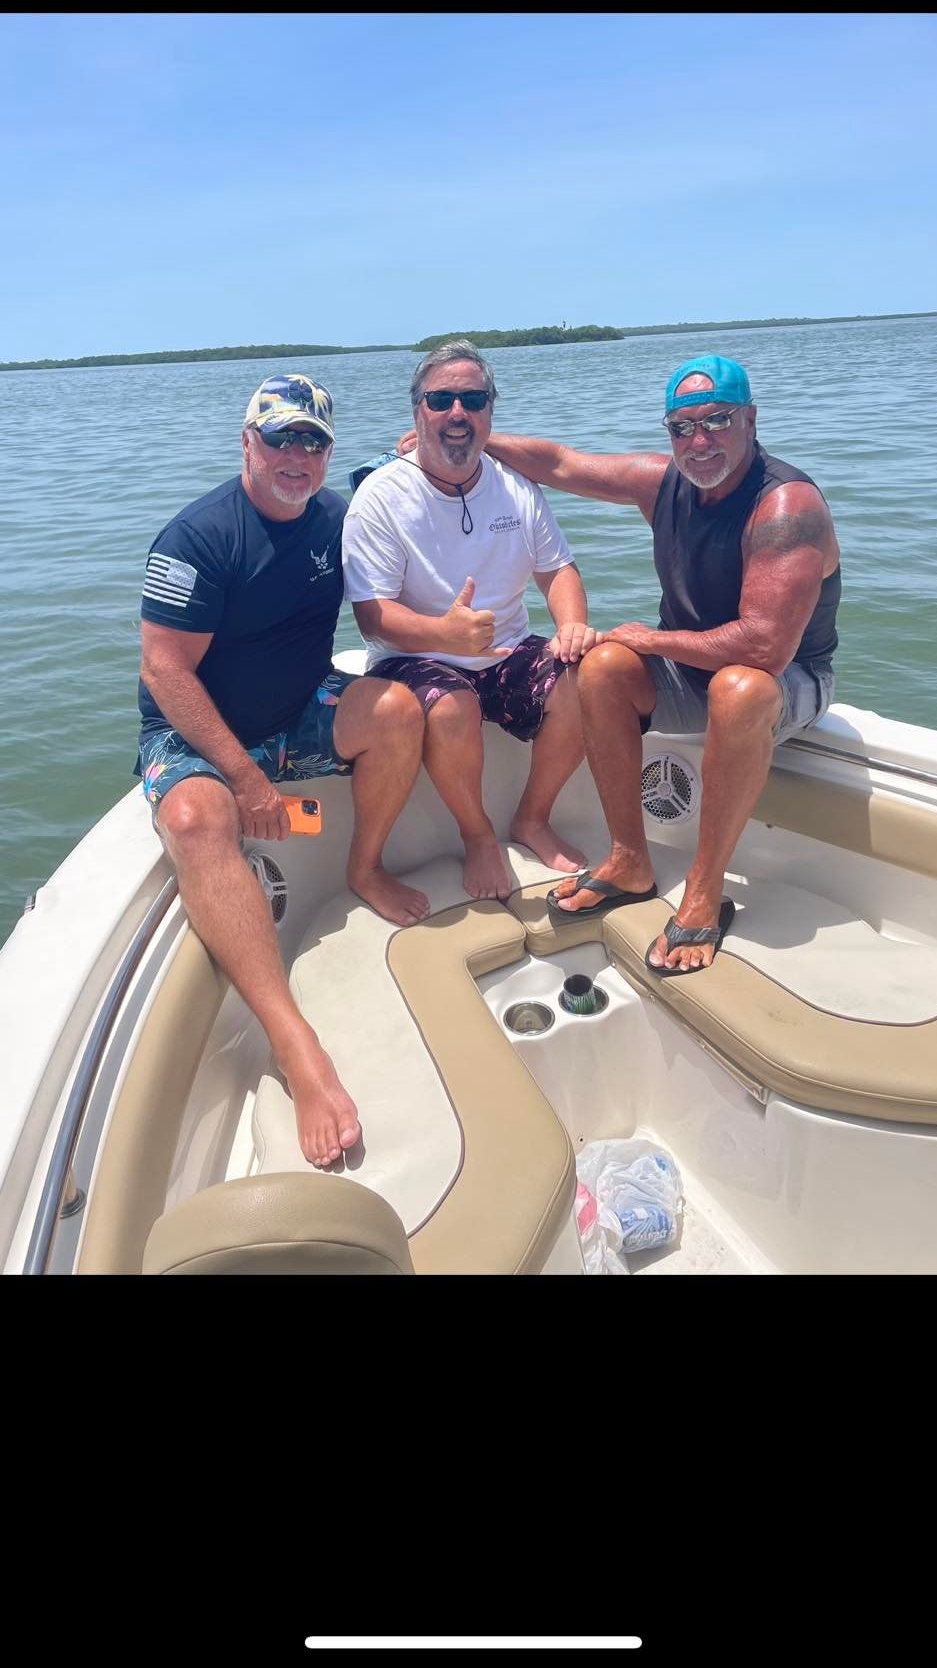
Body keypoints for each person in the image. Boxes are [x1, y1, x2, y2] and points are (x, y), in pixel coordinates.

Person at [137, 373, 427, 1169]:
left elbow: (399, 482)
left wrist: (412, 457)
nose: (297, 455)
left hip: (298, 709)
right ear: (247, 443)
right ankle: (293, 1040)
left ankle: (364, 868)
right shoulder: (196, 540)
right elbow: (164, 671)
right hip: (198, 733)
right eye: (280, 438)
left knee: (400, 711)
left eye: (313, 441)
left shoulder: (336, 514)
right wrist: (243, 777)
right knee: (195, 820)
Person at [482, 354, 841, 973]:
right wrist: (471, 436)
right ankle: (629, 860)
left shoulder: (786, 506)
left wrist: (652, 641)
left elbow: (765, 647)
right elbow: (561, 464)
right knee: (600, 666)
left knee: (737, 687)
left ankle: (704, 889)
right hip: (695, 669)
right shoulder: (662, 483)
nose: (699, 441)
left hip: (787, 680)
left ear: (750, 420)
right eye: (682, 427)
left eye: (717, 421)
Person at [341, 341, 599, 902]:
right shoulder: (380, 497)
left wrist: (572, 625)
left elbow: (558, 570)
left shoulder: (516, 486)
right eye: (441, 399)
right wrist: (444, 634)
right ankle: (478, 836)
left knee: (589, 677)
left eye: (473, 399)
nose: (457, 412)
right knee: (452, 705)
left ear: (489, 410)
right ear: (418, 410)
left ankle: (532, 818)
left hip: (506, 649)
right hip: (414, 657)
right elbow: (371, 615)